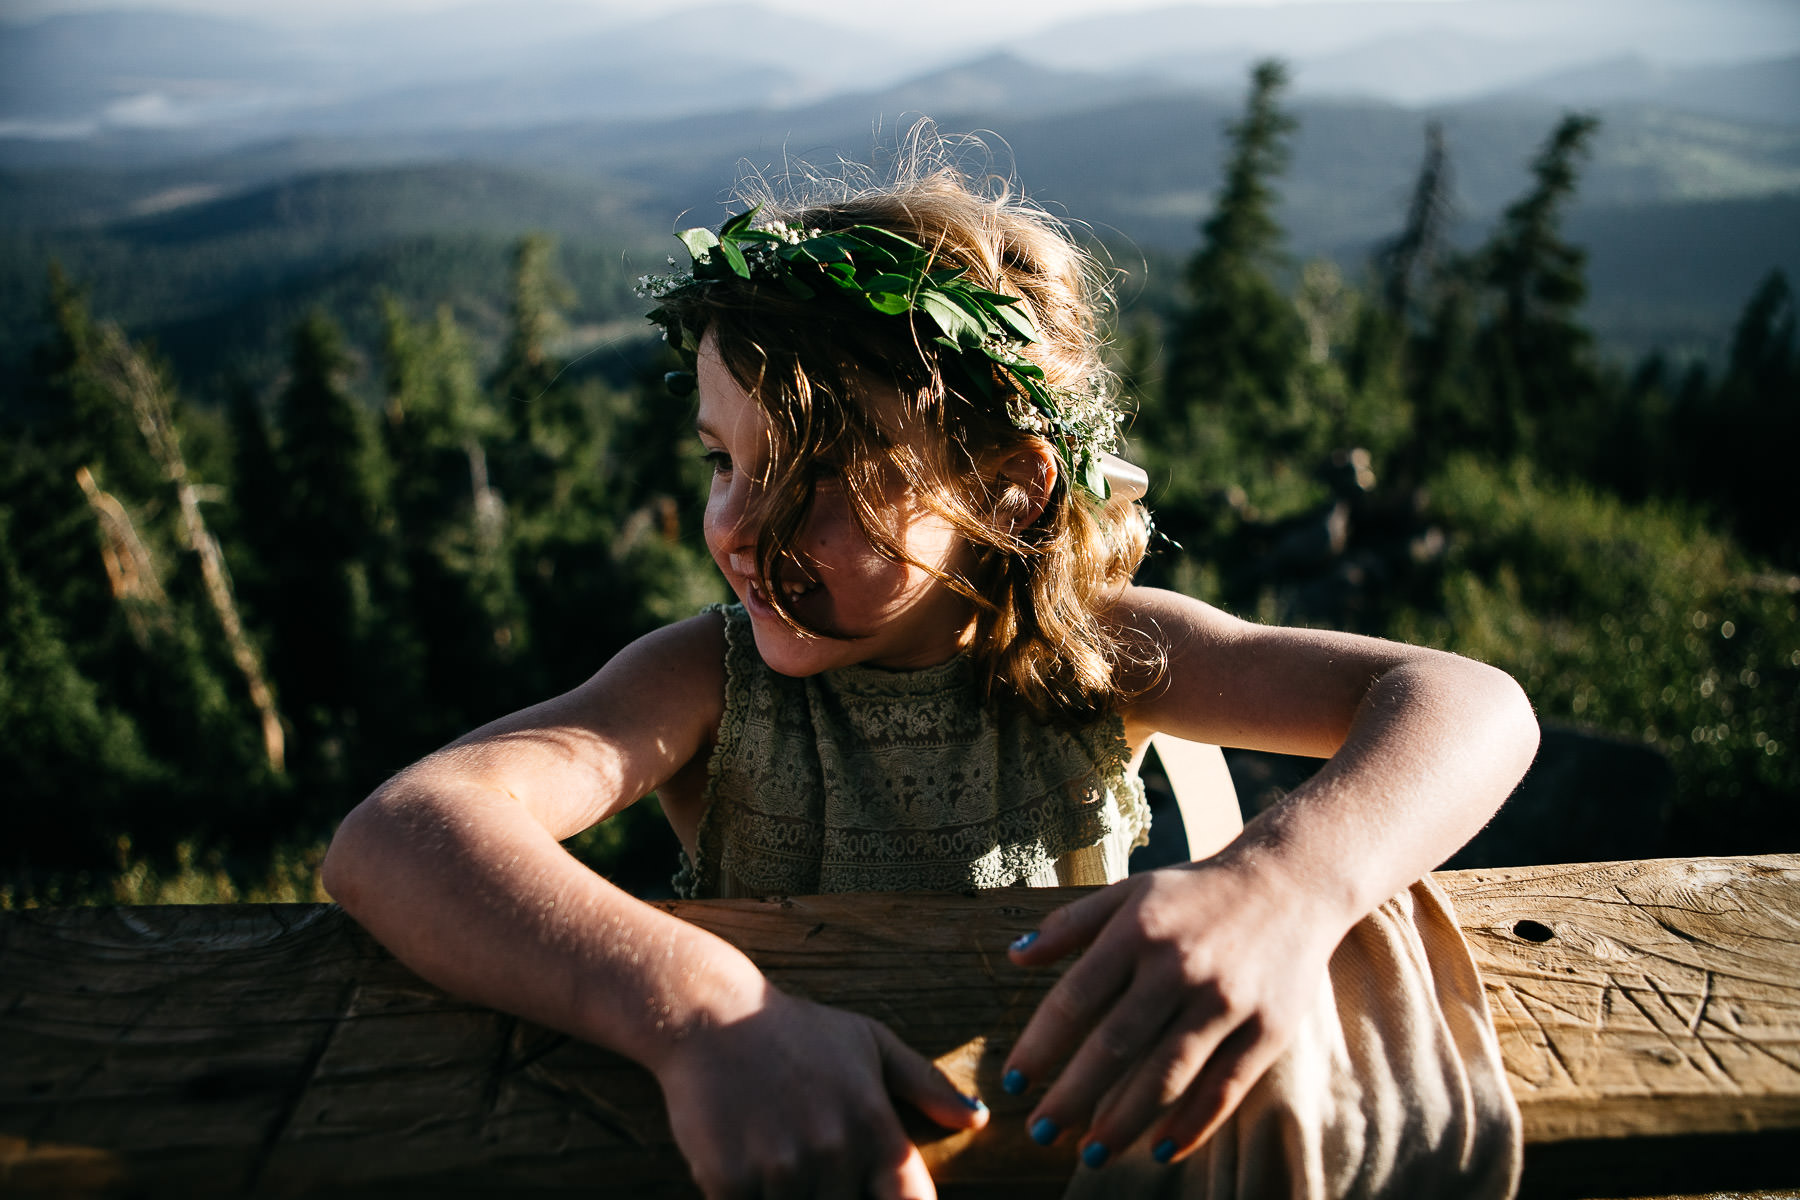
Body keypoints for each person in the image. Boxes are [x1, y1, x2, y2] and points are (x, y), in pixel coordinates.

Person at [322, 161, 1540, 1200]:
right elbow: (401, 832)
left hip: (1046, 1140)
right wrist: (703, 1014)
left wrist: (1285, 884)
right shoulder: (711, 681)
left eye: (814, 475)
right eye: (720, 462)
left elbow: (1472, 703)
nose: (735, 528)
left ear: (1008, 487)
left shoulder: (1090, 651)